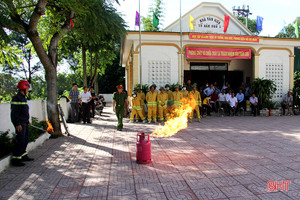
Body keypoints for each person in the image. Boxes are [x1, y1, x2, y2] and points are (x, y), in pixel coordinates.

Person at [10, 80, 34, 166]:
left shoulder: (23, 98)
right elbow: (14, 113)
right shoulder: (16, 98)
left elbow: (24, 112)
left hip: (24, 122)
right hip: (20, 123)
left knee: (25, 140)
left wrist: (27, 121)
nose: (28, 90)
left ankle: (23, 155)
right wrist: (17, 124)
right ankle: (16, 159)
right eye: (27, 88)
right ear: (23, 88)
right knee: (20, 140)